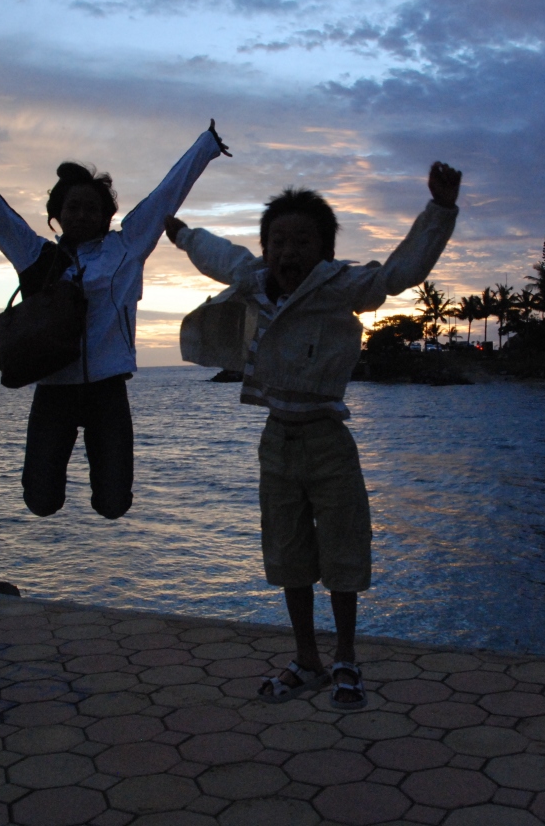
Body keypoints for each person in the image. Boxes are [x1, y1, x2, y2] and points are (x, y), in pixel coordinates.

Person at [166, 161, 462, 708]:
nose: (288, 251)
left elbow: (401, 272)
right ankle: (307, 660)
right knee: (288, 556)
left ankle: (346, 658)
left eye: (302, 241)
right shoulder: (253, 280)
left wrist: (439, 210)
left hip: (328, 439)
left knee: (344, 552)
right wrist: (182, 234)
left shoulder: (341, 285)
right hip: (277, 442)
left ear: (324, 251)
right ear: (267, 247)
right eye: (278, 240)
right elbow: (218, 255)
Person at [0, 120, 228, 520]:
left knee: (114, 504)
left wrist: (206, 145)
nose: (81, 215)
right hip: (53, 391)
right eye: (72, 208)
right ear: (57, 214)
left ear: (106, 215)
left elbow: (167, 194)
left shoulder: (126, 248)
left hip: (107, 392)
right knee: (41, 502)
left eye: (91, 208)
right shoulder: (35, 255)